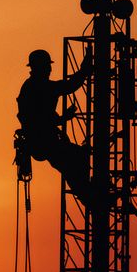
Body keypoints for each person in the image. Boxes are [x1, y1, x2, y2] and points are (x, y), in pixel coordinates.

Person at [15, 48, 94, 205]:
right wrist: (84, 71)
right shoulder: (39, 87)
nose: (50, 69)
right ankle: (90, 197)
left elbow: (38, 118)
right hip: (44, 141)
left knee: (74, 161)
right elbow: (68, 86)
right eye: (47, 66)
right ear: (40, 67)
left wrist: (63, 118)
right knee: (74, 162)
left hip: (42, 141)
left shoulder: (32, 86)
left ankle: (89, 195)